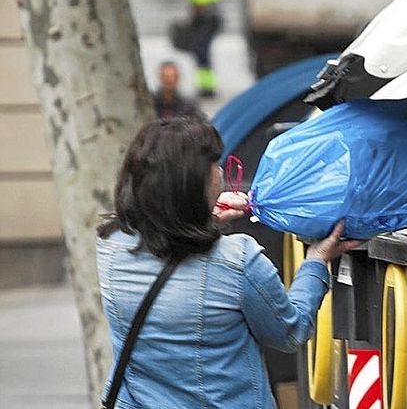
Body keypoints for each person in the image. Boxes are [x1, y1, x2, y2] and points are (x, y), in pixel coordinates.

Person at [96, 117, 362, 408]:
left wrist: (201, 218)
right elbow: (290, 332)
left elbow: (164, 237)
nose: (220, 172)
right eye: (213, 165)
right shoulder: (238, 261)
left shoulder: (111, 247)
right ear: (192, 184)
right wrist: (316, 260)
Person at [178, 0, 224, 97]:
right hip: (212, 18)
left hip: (205, 20)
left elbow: (199, 2)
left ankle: (207, 87)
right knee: (202, 50)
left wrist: (194, 22)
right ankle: (206, 85)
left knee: (201, 50)